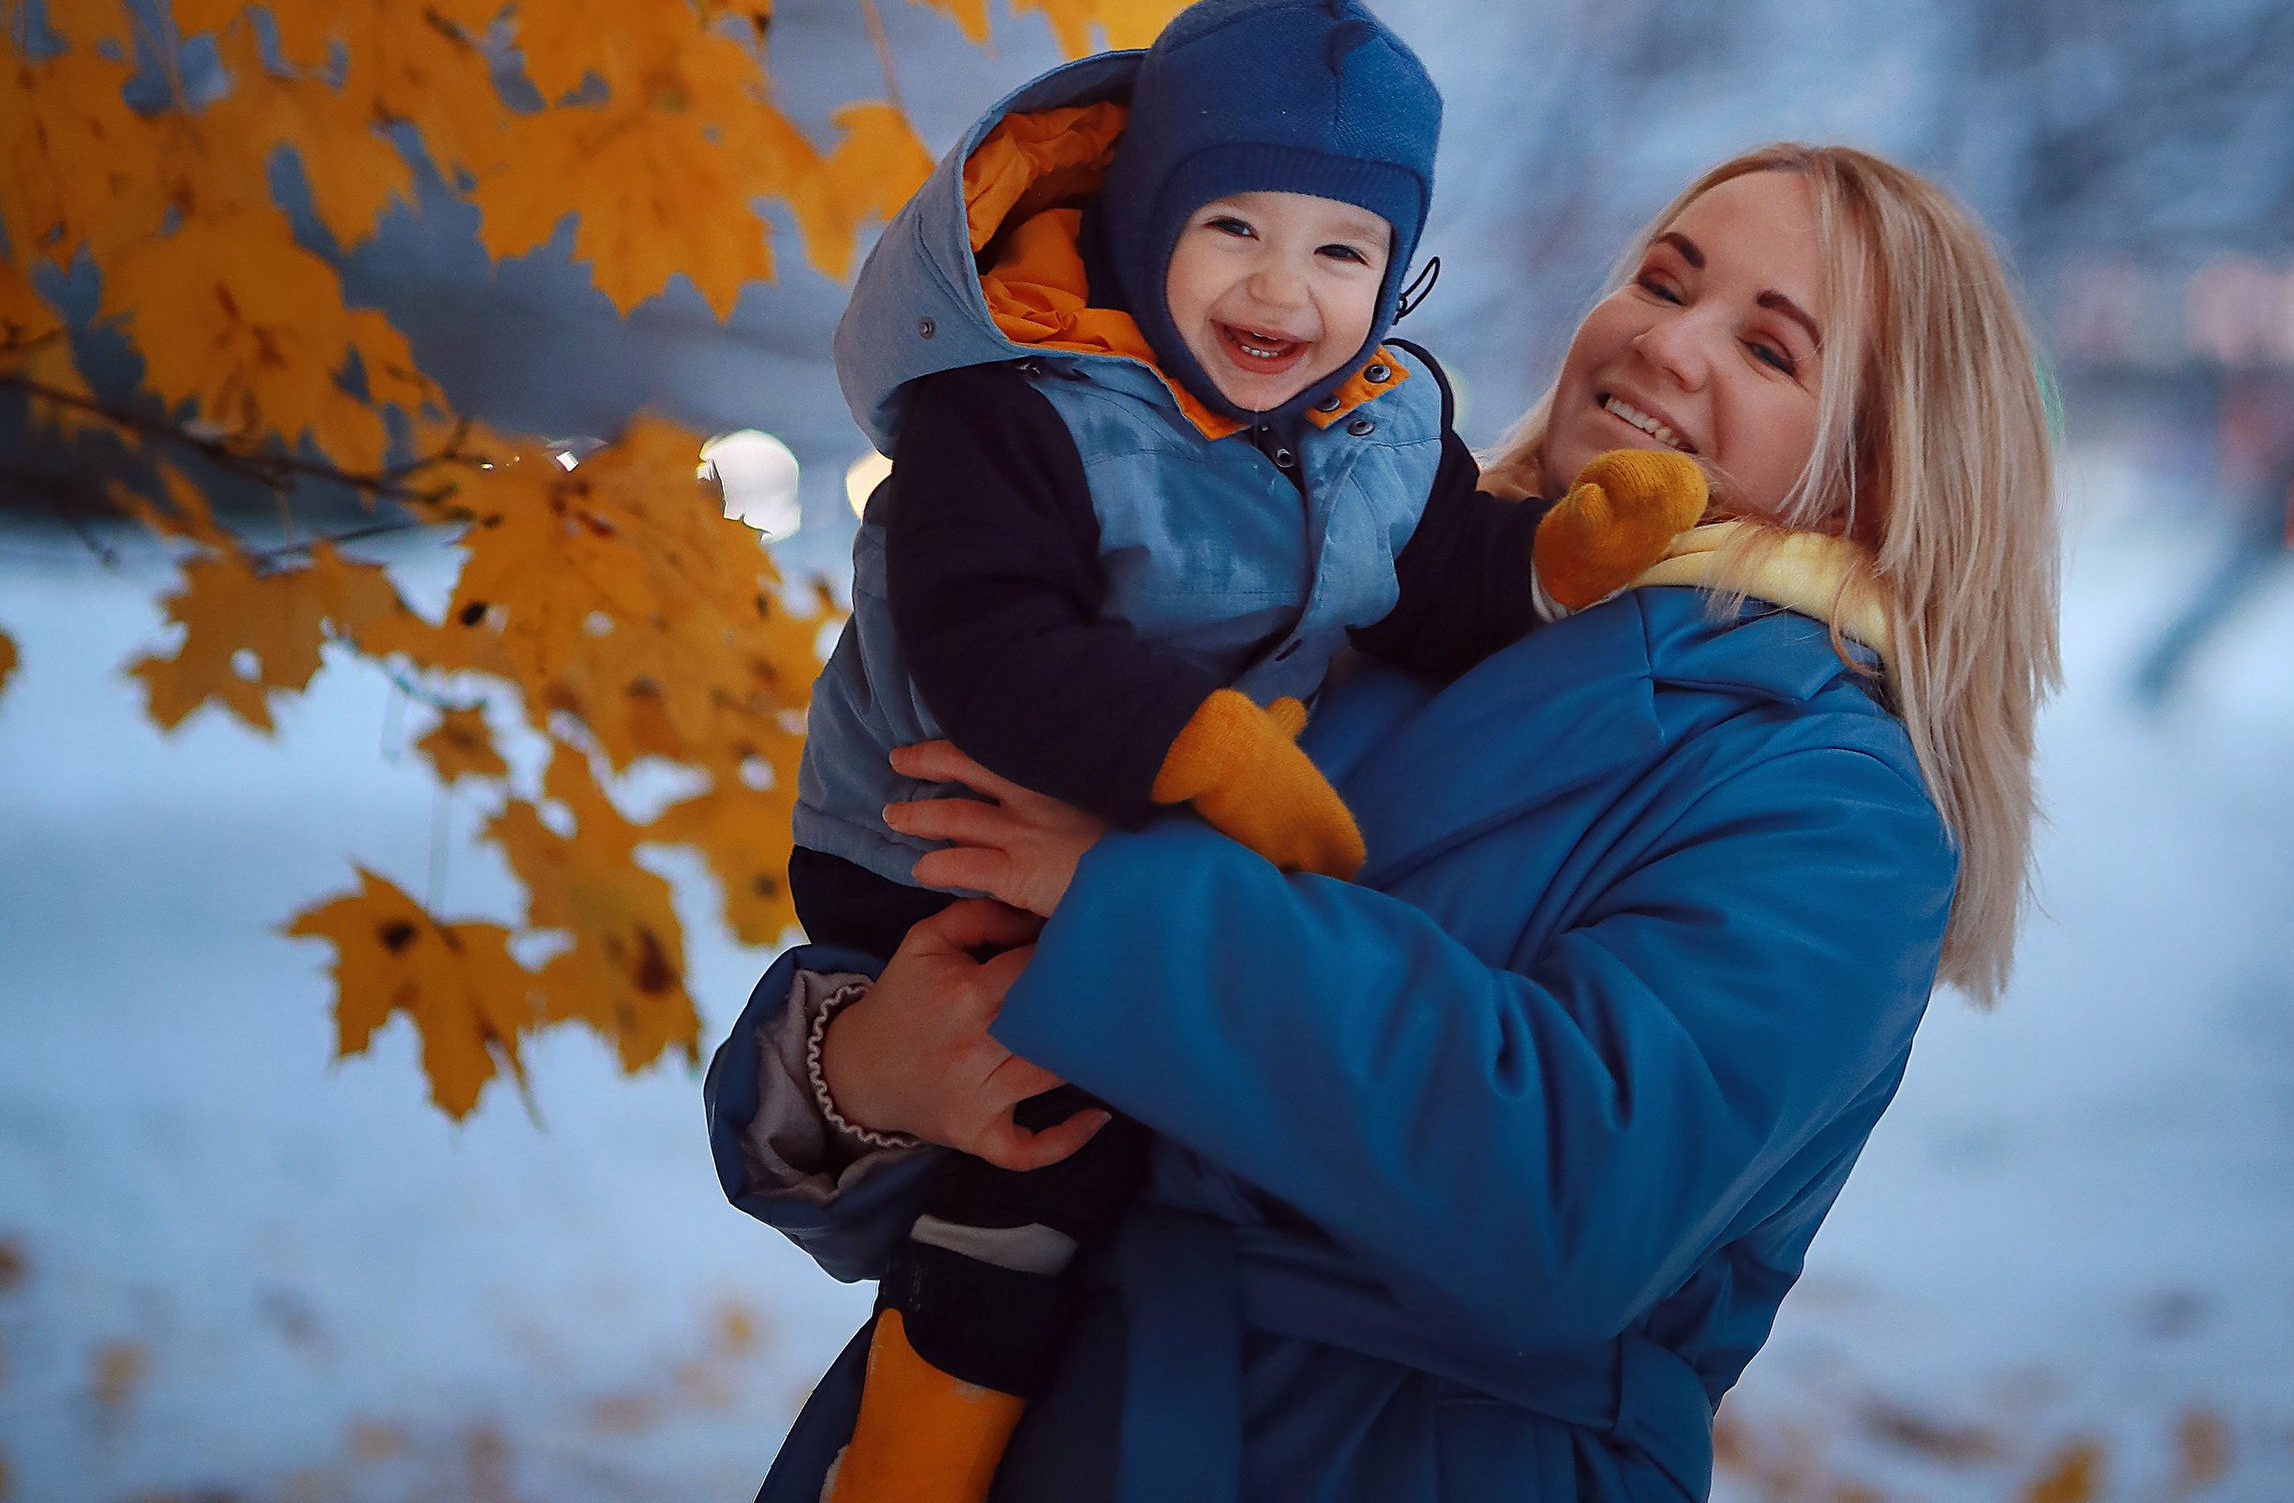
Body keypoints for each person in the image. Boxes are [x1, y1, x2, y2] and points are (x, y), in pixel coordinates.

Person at [711, 138, 2061, 1503]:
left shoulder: (1833, 797)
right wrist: (863, 1078)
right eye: (1663, 280)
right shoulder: (1346, 586)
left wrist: (1130, 903)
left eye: (1770, 352)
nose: (1667, 344)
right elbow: (977, 1049)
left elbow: (1570, 1208)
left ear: (1883, 480)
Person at [784, 0, 1711, 1503]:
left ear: (1397, 271)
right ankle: (908, 1471)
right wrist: (1203, 756)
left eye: (1345, 251)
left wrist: (1553, 563)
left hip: (1143, 828)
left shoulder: (1369, 422)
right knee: (1052, 1154)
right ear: (1147, 219)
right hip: (940, 823)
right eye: (1234, 228)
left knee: (1117, 1116)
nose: (1286, 290)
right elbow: (987, 648)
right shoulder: (1015, 407)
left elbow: (1428, 577)